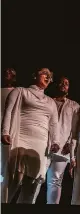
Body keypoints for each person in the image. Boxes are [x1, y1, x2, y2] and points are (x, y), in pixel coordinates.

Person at [1, 68, 60, 203]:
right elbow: (8, 112)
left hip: (41, 142)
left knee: (33, 183)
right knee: (16, 179)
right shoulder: (20, 91)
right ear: (34, 76)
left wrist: (55, 141)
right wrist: (5, 132)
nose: (48, 77)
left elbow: (54, 124)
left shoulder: (50, 101)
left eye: (50, 76)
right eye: (44, 73)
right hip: (22, 138)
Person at [38, 76, 80, 204]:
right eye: (61, 82)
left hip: (63, 148)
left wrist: (70, 143)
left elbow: (76, 128)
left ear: (69, 88)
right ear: (55, 85)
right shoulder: (46, 101)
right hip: (43, 144)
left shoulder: (74, 105)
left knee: (55, 180)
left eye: (66, 83)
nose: (63, 85)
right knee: (37, 177)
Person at [1, 67, 17, 201]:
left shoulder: (17, 93)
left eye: (10, 74)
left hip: (7, 134)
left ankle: (3, 201)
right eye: (5, 73)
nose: (7, 75)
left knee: (5, 169)